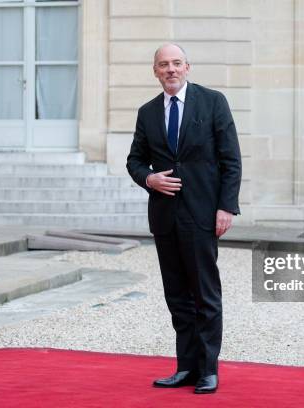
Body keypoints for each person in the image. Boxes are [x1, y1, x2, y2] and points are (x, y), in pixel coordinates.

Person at [126, 43, 242, 394]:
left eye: (177, 63)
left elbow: (231, 160)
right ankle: (186, 367)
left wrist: (226, 207)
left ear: (187, 67)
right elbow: (134, 160)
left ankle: (209, 370)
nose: (171, 69)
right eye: (164, 65)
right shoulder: (147, 112)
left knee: (205, 295)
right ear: (155, 71)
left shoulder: (213, 102)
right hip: (164, 218)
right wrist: (149, 178)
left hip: (202, 214)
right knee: (177, 296)